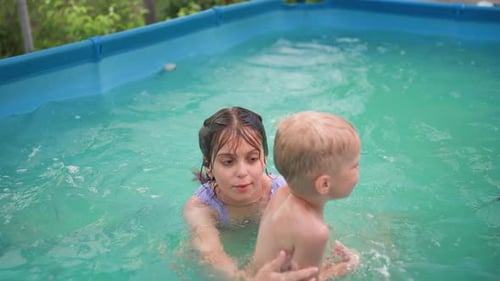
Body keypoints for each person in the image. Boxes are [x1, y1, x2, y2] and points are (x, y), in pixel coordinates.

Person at [183, 107, 353, 281]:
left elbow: (312, 229)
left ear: (264, 158)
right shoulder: (202, 208)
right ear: (209, 165)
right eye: (228, 162)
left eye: (252, 159)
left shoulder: (282, 190)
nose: (242, 172)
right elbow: (211, 255)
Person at [250, 111, 361, 281]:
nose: (358, 170)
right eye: (355, 166)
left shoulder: (282, 193)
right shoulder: (315, 231)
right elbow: (309, 279)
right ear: (324, 184)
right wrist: (347, 266)